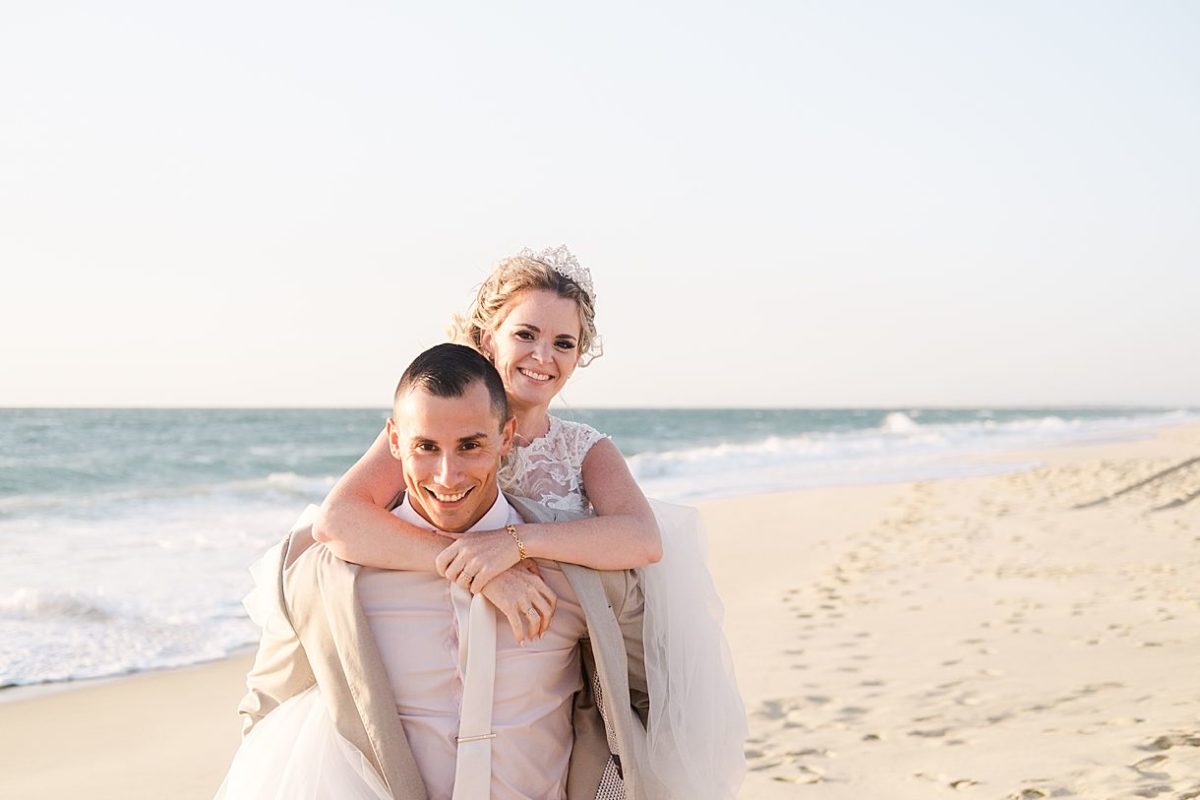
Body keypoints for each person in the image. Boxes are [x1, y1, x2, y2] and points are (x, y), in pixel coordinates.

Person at [314, 246, 746, 799]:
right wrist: (476, 568)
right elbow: (341, 516)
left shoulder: (583, 448)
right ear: (486, 335)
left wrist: (514, 545)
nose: (543, 355)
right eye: (526, 334)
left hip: (543, 664)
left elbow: (642, 538)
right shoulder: (435, 425)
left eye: (564, 343)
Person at [217, 343, 653, 799]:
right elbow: (267, 713)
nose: (447, 476)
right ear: (394, 441)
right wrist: (470, 566)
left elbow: (643, 703)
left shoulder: (576, 574)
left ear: (506, 438)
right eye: (426, 447)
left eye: (470, 446)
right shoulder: (326, 581)